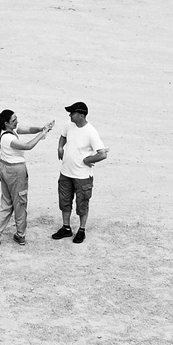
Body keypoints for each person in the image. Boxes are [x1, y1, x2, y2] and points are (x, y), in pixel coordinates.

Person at [0, 109, 54, 246]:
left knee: (6, 202)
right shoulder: (9, 138)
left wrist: (42, 128)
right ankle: (20, 234)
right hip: (16, 172)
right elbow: (27, 146)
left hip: (4, 169)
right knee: (20, 202)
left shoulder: (5, 131)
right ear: (6, 123)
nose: (17, 122)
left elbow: (29, 129)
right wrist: (42, 134)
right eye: (14, 120)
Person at [52, 102, 107, 243]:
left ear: (81, 115)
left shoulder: (91, 132)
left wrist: (89, 159)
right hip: (66, 172)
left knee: (82, 203)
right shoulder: (69, 125)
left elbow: (102, 154)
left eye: (73, 113)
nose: (70, 115)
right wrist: (60, 148)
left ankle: (81, 230)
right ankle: (66, 228)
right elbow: (63, 136)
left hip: (82, 176)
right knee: (64, 201)